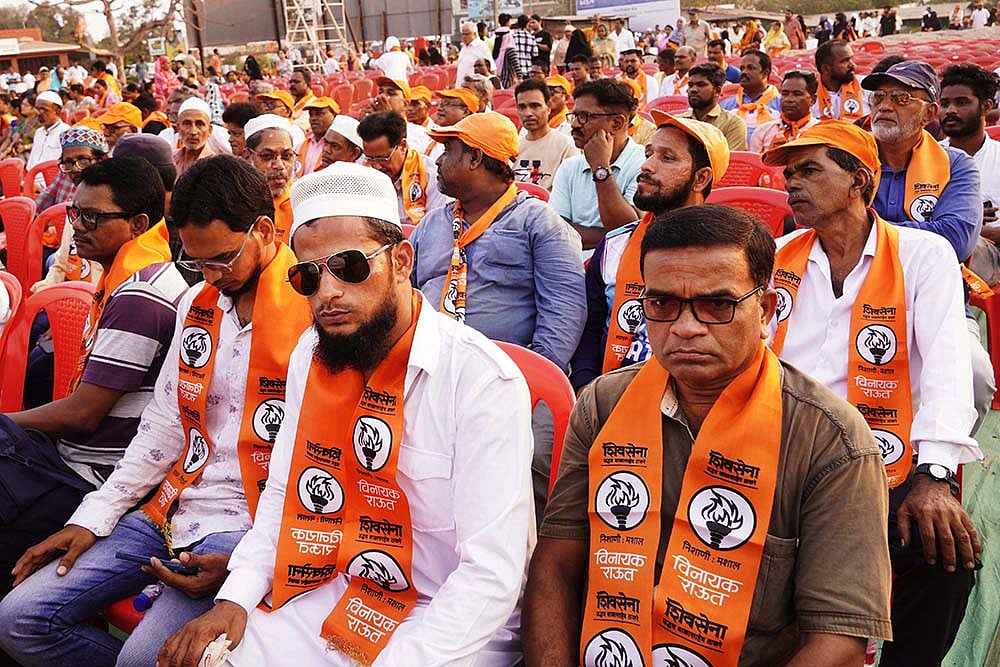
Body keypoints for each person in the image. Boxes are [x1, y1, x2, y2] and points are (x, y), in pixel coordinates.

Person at [158, 161, 534, 666]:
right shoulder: (311, 354)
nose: (328, 292)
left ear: (401, 261)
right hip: (341, 588)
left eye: (351, 266)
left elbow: (489, 575)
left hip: (450, 617)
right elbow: (282, 495)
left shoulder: (479, 379)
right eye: (308, 276)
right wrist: (235, 597)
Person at [526, 202, 893, 666]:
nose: (685, 328)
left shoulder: (829, 439)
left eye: (717, 304)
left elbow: (838, 641)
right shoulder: (603, 404)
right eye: (661, 304)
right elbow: (556, 564)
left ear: (765, 309)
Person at [0, 155, 312, 667]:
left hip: (248, 522)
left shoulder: (314, 313)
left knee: (144, 659)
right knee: (19, 620)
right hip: (170, 504)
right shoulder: (198, 303)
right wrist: (95, 516)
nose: (212, 275)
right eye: (197, 262)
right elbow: (163, 426)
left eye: (224, 259)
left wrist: (250, 561)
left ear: (263, 230)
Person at [763, 120, 980, 667]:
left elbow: (948, 364)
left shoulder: (921, 254)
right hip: (776, 455)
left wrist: (934, 478)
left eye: (810, 170)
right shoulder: (776, 255)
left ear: (860, 179)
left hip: (881, 461)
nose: (793, 184)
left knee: (945, 557)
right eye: (790, 174)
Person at [0, 157, 184, 598]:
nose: (77, 226)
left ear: (138, 224)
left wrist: (7, 421)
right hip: (80, 459)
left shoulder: (141, 294)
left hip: (97, 477)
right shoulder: (135, 275)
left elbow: (83, 415)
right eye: (73, 213)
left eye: (92, 217)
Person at [411, 111, 585, 518]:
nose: (437, 160)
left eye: (448, 150)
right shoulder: (434, 223)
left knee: (527, 471)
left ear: (475, 159)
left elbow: (564, 311)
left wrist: (528, 384)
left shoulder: (538, 222)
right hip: (434, 372)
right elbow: (412, 292)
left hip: (513, 378)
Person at [569, 113, 729, 389]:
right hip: (610, 391)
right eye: (649, 154)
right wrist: (586, 385)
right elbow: (591, 327)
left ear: (700, 178)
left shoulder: (727, 255)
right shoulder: (614, 245)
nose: (647, 166)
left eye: (667, 158)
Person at [550, 78, 645, 250]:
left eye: (584, 116)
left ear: (617, 123)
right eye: (574, 115)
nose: (574, 124)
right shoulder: (570, 167)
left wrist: (600, 168)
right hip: (571, 263)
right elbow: (555, 232)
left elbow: (628, 234)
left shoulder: (645, 165)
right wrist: (608, 236)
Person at [940, 64, 1000, 285]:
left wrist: (971, 229)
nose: (950, 110)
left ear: (986, 107)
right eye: (944, 104)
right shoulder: (925, 158)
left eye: (962, 102)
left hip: (991, 255)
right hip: (939, 254)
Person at [358, 110, 448, 226]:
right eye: (370, 158)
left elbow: (434, 226)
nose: (376, 166)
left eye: (383, 158)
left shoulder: (432, 175)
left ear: (402, 146)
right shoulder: (364, 173)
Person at [513, 78, 578, 190]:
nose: (528, 113)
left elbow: (569, 187)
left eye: (535, 106)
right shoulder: (513, 148)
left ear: (548, 107)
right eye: (522, 107)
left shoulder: (566, 146)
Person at [244, 114, 297, 242]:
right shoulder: (235, 199)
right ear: (247, 156)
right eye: (267, 156)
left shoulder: (301, 202)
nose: (279, 166)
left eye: (286, 156)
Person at [35, 125, 108, 216]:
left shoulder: (106, 190)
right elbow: (44, 199)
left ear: (99, 160)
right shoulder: (64, 173)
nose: (75, 169)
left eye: (83, 161)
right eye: (69, 162)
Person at [678, 63, 748, 152]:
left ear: (717, 90)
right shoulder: (678, 121)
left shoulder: (732, 123)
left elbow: (731, 161)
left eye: (701, 85)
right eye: (691, 85)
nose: (693, 90)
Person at [749, 69, 821, 152]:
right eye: (785, 94)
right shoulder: (763, 131)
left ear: (812, 100)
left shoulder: (820, 131)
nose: (789, 99)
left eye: (797, 94)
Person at [721, 49, 781, 146]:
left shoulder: (781, 105)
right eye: (742, 68)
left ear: (765, 73)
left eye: (751, 68)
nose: (744, 72)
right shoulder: (727, 105)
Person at [362, 78, 431, 154]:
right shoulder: (371, 130)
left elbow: (405, 159)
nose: (383, 97)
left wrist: (388, 119)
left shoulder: (419, 133)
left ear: (406, 104)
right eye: (380, 92)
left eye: (391, 93)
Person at [814, 39, 869, 122]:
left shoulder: (866, 84)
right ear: (826, 69)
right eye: (844, 61)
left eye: (851, 59)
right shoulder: (809, 95)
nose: (853, 65)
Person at [173, 97, 225, 179]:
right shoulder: (171, 160)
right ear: (178, 128)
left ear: (209, 130)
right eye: (187, 124)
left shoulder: (217, 167)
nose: (193, 132)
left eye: (200, 124)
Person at [27, 90, 68, 175]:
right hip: (31, 179)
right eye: (37, 108)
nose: (39, 113)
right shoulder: (39, 132)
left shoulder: (66, 132)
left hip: (50, 182)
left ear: (57, 111)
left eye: (44, 109)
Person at [297, 96, 338, 177]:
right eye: (311, 115)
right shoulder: (301, 145)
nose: (313, 118)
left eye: (319, 114)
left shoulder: (339, 147)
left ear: (334, 115)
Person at [287, 69, 316, 133]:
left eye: (296, 82)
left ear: (308, 84)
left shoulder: (313, 103)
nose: (292, 84)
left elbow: (300, 126)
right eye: (291, 82)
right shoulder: (292, 102)